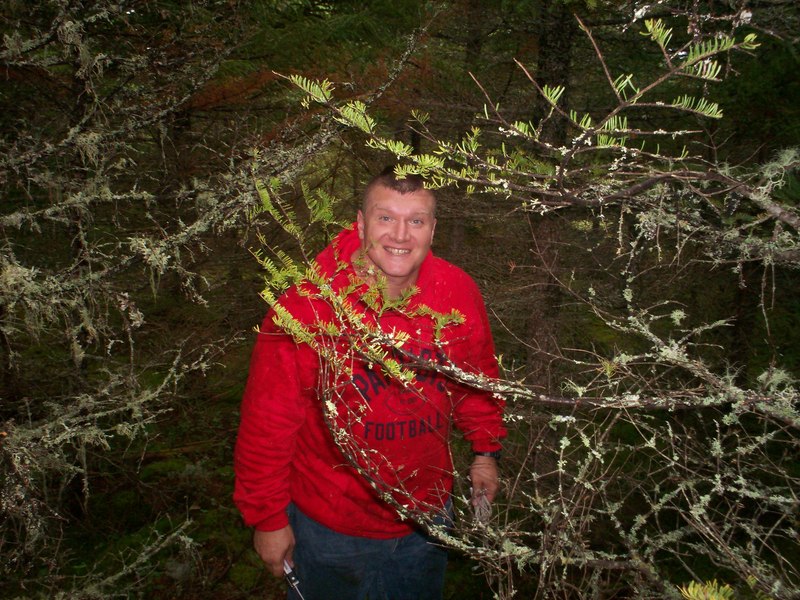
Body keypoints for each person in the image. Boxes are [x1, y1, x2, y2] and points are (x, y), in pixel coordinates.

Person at [233, 166, 506, 600]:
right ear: (360, 223)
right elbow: (267, 425)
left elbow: (478, 378)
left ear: (433, 229)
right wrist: (267, 520)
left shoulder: (456, 291)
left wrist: (486, 452)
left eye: (415, 221)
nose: (400, 235)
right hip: (331, 528)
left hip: (428, 519)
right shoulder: (307, 309)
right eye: (385, 218)